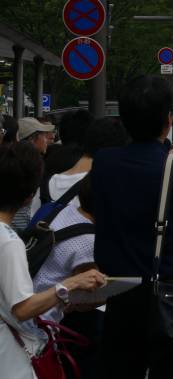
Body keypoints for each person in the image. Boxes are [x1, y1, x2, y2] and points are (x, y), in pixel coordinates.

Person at [90, 75, 173, 379]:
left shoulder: (104, 162)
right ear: (168, 120)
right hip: (168, 294)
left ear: (123, 118)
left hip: (117, 293)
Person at [1, 141, 106, 379]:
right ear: (29, 196)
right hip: (14, 352)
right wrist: (71, 283)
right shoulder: (9, 242)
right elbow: (23, 309)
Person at [12, 117, 55, 230]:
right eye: (43, 135)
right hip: (18, 227)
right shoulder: (27, 165)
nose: (46, 139)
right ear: (32, 139)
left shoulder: (13, 160)